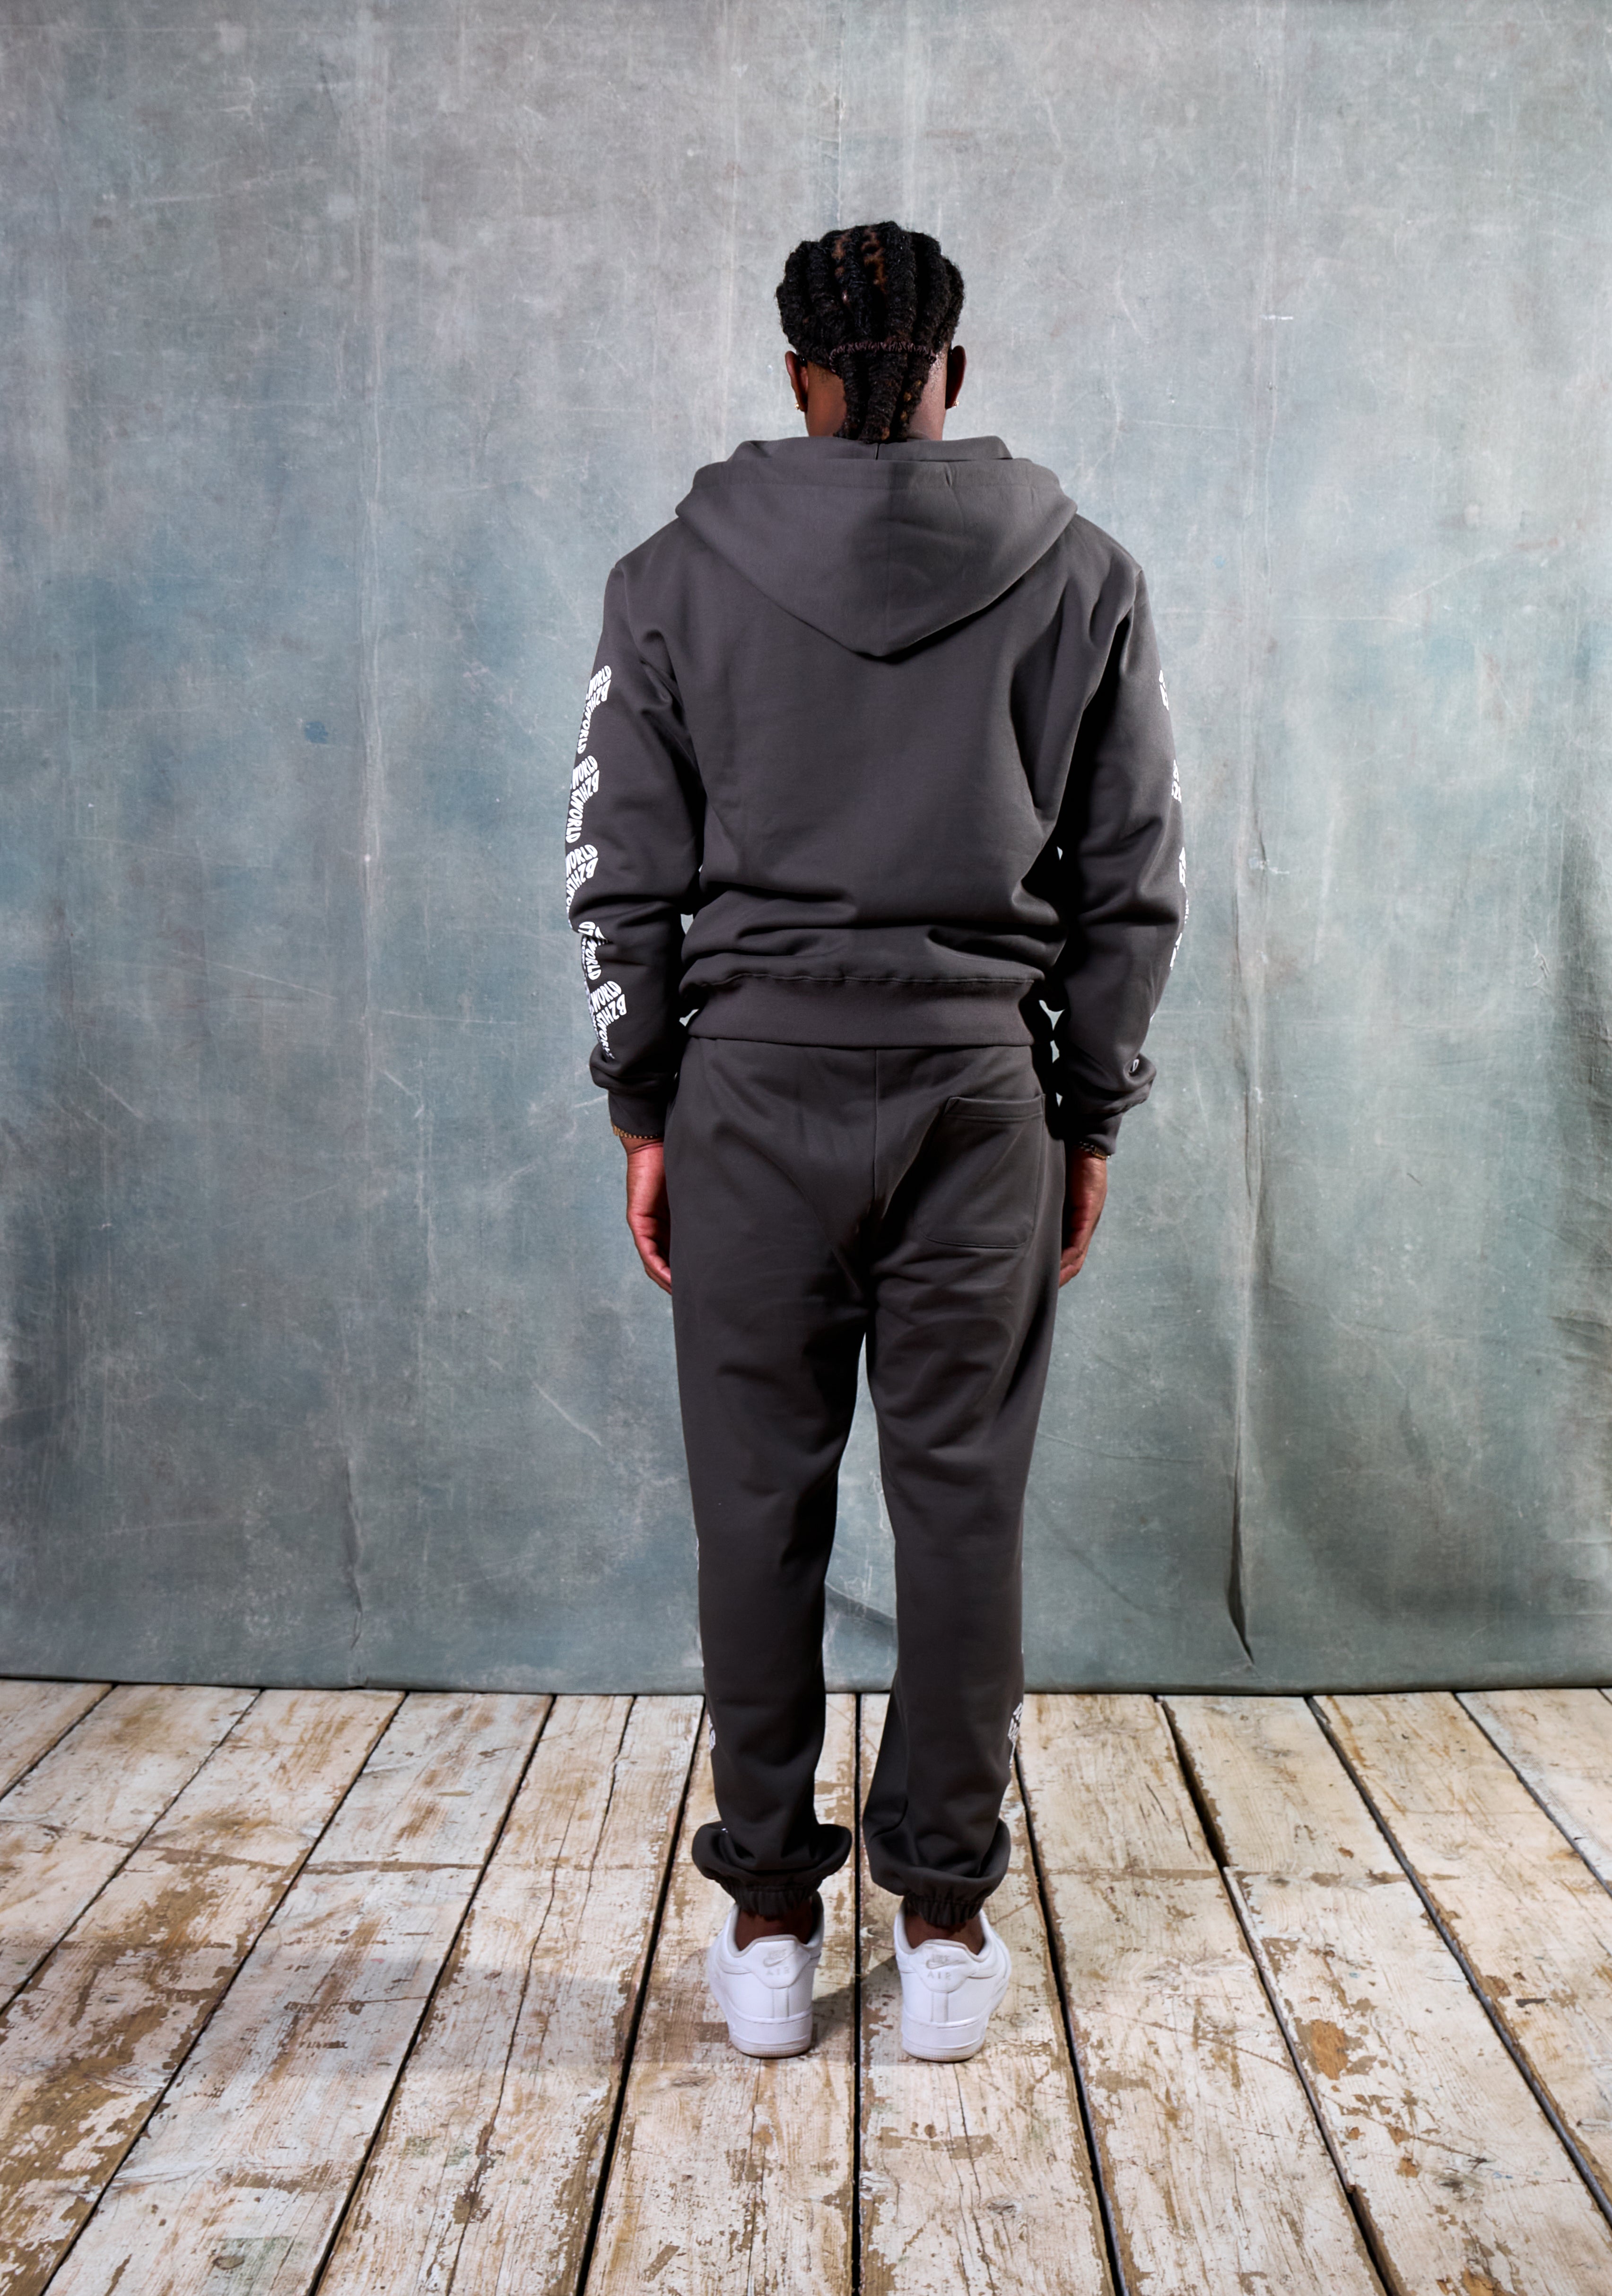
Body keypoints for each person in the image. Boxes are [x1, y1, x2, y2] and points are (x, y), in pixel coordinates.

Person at [565, 221, 1185, 2061]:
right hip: (977, 1101)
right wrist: (1088, 1108)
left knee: (754, 1509)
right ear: (952, 374)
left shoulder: (669, 578)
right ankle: (942, 1921)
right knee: (960, 1506)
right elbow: (1130, 882)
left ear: (798, 379)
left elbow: (620, 876)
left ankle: (766, 1916)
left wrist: (643, 1103)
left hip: (750, 1099)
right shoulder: (1083, 576)